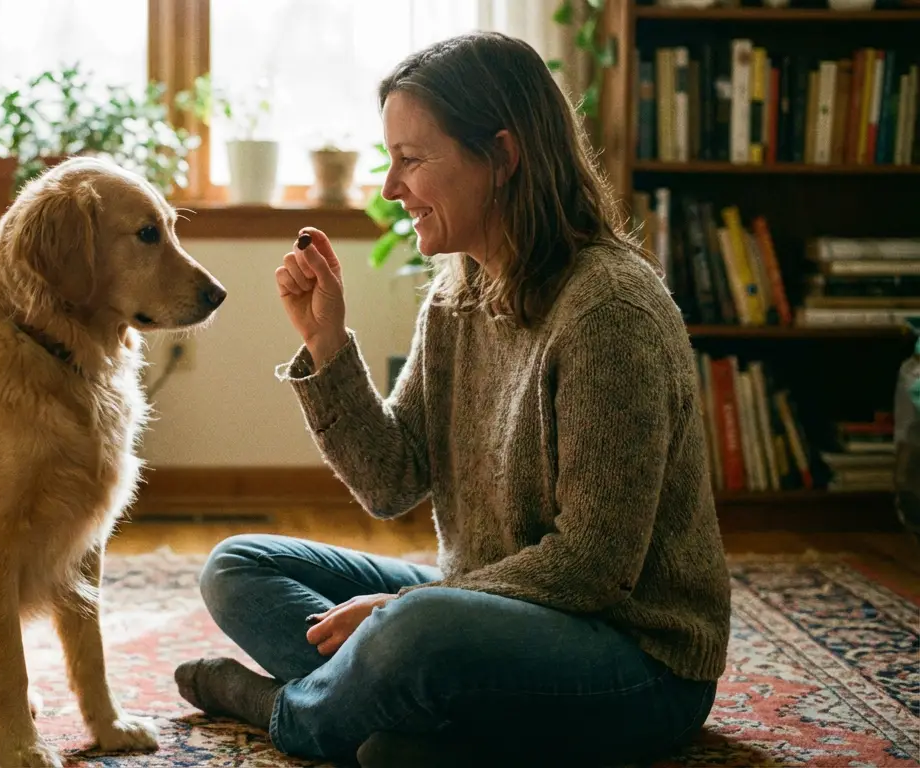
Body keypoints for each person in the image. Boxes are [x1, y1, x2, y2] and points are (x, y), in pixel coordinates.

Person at [172, 30, 731, 768]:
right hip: (480, 602)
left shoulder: (609, 312)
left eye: (411, 160)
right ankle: (402, 706)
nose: (389, 188)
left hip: (634, 659)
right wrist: (326, 346)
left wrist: (402, 614)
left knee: (416, 632)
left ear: (501, 156)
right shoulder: (458, 292)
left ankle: (290, 711)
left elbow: (594, 566)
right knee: (238, 566)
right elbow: (392, 482)